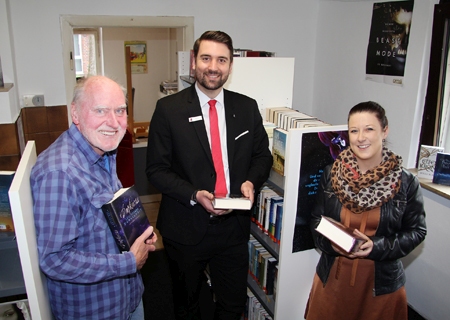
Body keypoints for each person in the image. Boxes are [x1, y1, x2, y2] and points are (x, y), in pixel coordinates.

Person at [146, 30, 273, 319]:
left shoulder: (246, 107)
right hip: (186, 226)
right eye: (206, 58)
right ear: (194, 62)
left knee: (231, 304)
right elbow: (156, 170)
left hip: (233, 227)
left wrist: (251, 181)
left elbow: (261, 155)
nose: (213, 67)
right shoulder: (169, 109)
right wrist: (194, 194)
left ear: (230, 65)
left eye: (221, 60)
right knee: (187, 305)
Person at [31, 76, 158, 320]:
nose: (113, 122)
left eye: (120, 110)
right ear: (75, 114)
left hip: (126, 299)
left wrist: (138, 233)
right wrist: (128, 263)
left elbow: (104, 218)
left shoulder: (103, 150)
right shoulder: (60, 172)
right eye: (100, 110)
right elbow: (55, 260)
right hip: (96, 311)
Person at [304, 101, 427, 320]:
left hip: (379, 287)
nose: (361, 137)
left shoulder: (405, 182)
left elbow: (416, 231)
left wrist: (376, 246)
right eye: (354, 130)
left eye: (369, 129)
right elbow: (316, 222)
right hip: (333, 281)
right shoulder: (332, 174)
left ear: (384, 131)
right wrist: (330, 244)